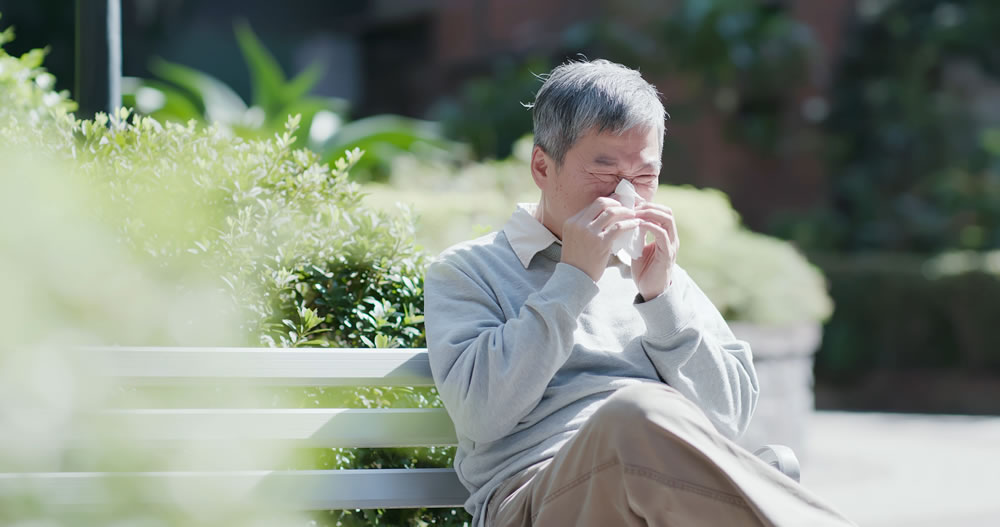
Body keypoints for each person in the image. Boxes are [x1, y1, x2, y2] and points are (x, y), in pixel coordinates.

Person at [424, 59, 854, 527]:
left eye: (645, 177)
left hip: (658, 498)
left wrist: (663, 300)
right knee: (634, 413)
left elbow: (730, 418)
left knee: (644, 419)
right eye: (604, 172)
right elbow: (481, 414)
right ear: (542, 167)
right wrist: (573, 279)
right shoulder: (467, 270)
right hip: (535, 498)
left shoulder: (657, 273)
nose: (626, 196)